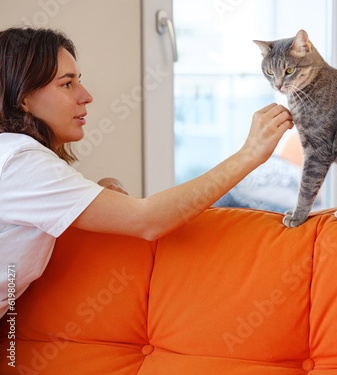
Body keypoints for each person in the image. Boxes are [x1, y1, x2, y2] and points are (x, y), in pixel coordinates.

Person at [0, 27, 293, 317]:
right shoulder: (20, 161)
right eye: (67, 84)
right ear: (23, 97)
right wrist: (250, 153)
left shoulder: (15, 157)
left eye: (80, 81)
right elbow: (148, 220)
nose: (86, 96)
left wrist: (102, 190)